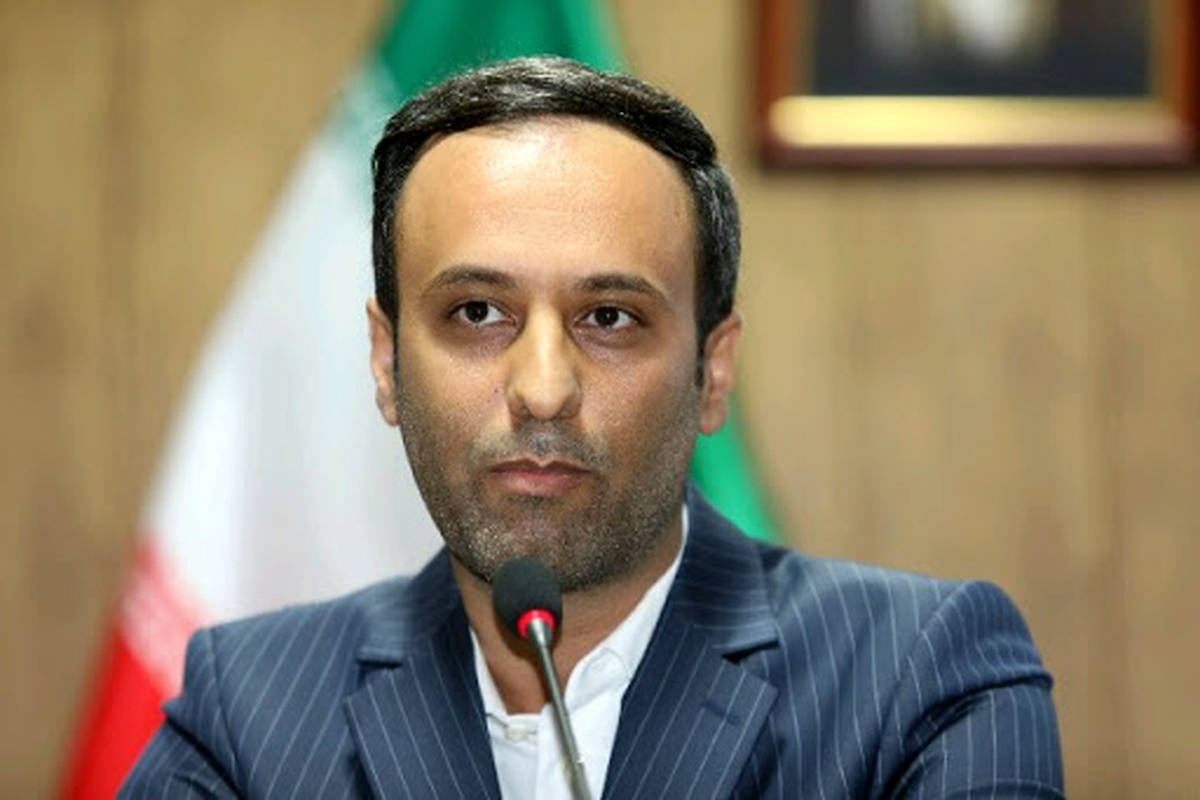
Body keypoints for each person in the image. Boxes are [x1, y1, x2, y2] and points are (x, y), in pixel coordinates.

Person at [121, 56, 1063, 799]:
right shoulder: (249, 709)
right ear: (385, 361)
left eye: (609, 317)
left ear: (712, 371)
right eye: (477, 313)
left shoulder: (922, 679)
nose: (542, 390)